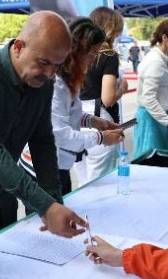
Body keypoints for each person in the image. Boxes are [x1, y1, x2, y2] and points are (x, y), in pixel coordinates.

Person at [0, 10, 87, 248]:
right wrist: (46, 206)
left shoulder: (43, 82)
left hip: (3, 198)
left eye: (57, 65)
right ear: (19, 46)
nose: (51, 74)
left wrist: (54, 200)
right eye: (43, 63)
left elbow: (42, 140)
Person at [44, 17, 123, 194]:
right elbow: (60, 134)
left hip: (58, 165)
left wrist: (92, 121)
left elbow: (65, 114)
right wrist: (101, 138)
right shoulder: (54, 82)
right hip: (44, 170)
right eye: (92, 54)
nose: (93, 60)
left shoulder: (69, 78)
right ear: (76, 51)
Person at [78, 7, 128, 184]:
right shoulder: (108, 55)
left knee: (83, 182)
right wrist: (122, 88)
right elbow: (107, 98)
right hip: (98, 118)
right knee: (99, 183)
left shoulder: (79, 53)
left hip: (77, 119)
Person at [133, 19, 168, 158]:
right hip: (151, 120)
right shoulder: (155, 61)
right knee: (149, 162)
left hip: (153, 118)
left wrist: (167, 86)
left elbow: (152, 90)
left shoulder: (158, 58)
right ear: (164, 37)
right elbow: (149, 99)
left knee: (153, 161)